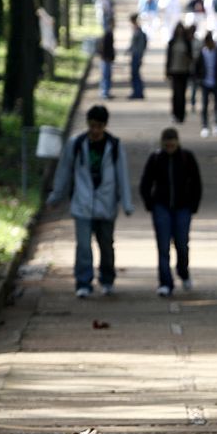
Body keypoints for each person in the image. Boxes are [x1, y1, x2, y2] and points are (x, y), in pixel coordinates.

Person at [46, 105, 134, 298]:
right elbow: (64, 171)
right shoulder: (76, 144)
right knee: (83, 246)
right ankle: (83, 281)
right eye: (92, 126)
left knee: (106, 245)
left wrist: (127, 203)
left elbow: (122, 176)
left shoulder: (115, 146)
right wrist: (56, 196)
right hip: (82, 204)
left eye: (99, 126)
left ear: (105, 125)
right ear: (88, 124)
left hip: (106, 204)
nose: (95, 131)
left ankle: (107, 278)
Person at [139, 128, 203, 297]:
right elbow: (145, 183)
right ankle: (165, 282)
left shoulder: (187, 158)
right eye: (166, 142)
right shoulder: (156, 159)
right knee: (163, 245)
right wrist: (150, 203)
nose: (170, 145)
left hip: (183, 207)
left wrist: (193, 204)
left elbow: (196, 182)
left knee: (182, 244)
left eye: (172, 141)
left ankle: (183, 271)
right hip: (161, 207)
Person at [166, 24, 195, 124]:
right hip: (174, 71)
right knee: (175, 94)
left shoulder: (187, 43)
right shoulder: (172, 42)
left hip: (184, 71)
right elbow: (169, 57)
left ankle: (181, 115)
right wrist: (167, 71)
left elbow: (191, 57)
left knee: (182, 94)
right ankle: (175, 114)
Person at [195, 31, 217, 137]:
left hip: (216, 83)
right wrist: (199, 80)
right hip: (205, 83)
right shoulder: (202, 53)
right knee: (205, 106)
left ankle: (216, 124)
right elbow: (197, 68)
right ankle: (205, 126)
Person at [127, 13, 147, 99]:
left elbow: (141, 45)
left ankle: (138, 92)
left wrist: (140, 56)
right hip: (135, 54)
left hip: (137, 55)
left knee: (135, 74)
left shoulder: (139, 31)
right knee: (134, 74)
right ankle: (137, 91)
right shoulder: (136, 30)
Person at [97, 26, 115, 100]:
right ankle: (104, 93)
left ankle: (105, 92)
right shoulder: (107, 34)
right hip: (106, 59)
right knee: (105, 76)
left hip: (106, 58)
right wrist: (106, 57)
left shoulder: (109, 33)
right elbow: (104, 47)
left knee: (106, 76)